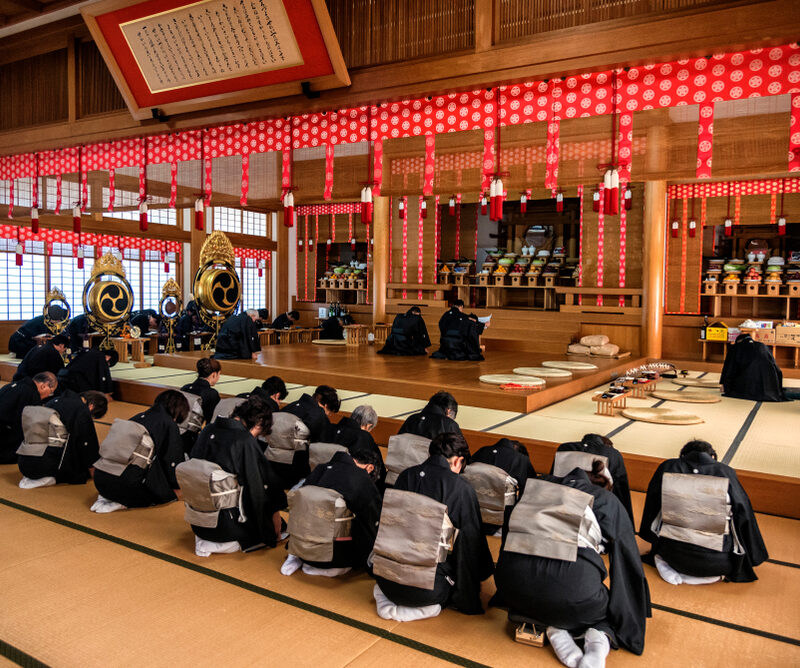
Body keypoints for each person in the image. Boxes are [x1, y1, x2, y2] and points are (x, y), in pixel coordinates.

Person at [492, 466, 650, 668]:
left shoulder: (531, 491)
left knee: (544, 594)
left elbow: (508, 540)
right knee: (600, 605)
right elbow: (626, 561)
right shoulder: (605, 500)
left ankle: (552, 628)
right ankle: (597, 637)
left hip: (514, 589)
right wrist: (630, 616)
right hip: (576, 597)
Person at [372, 432, 494, 620]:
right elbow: (470, 546)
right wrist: (472, 591)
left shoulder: (406, 475)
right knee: (462, 553)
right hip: (426, 590)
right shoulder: (460, 488)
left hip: (386, 579)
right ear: (457, 461)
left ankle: (389, 599)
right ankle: (417, 608)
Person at [639, 439, 768, 585]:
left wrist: (650, 537)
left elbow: (652, 504)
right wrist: (753, 553)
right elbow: (743, 512)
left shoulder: (669, 466)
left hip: (673, 555)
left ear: (683, 454)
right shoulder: (725, 472)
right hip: (718, 562)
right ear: (712, 456)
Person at [182, 394, 287, 557]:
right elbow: (258, 488)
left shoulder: (208, 429)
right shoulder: (243, 440)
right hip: (226, 527)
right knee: (272, 517)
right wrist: (272, 518)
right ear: (258, 423)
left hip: (196, 520)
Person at [281, 443, 382, 577]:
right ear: (370, 467)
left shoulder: (320, 468)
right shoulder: (360, 477)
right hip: (331, 558)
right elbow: (374, 517)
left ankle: (298, 556)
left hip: (299, 543)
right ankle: (326, 565)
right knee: (366, 522)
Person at [91, 389, 188, 512]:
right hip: (125, 486)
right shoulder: (168, 424)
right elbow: (171, 461)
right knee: (168, 494)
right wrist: (175, 487)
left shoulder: (136, 418)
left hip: (100, 480)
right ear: (179, 410)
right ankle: (123, 502)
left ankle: (108, 497)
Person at [17, 390, 108, 487]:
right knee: (81, 471)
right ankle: (50, 477)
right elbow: (86, 444)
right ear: (91, 406)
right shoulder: (81, 409)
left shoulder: (54, 401)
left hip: (23, 460)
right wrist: (93, 469)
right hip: (43, 466)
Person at [552, 433, 633, 524]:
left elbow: (552, 478)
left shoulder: (564, 448)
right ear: (607, 445)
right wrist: (627, 521)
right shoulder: (613, 454)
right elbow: (621, 490)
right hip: (597, 506)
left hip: (560, 501)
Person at [275, 385, 340, 486]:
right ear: (326, 406)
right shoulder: (320, 416)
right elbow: (321, 448)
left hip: (271, 460)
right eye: (329, 413)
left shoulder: (290, 406)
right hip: (293, 469)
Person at [469, 438, 537, 534]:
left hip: (470, 514)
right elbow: (531, 490)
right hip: (503, 520)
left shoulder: (482, 451)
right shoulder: (521, 459)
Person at [0, 372, 58, 464]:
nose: (48, 396)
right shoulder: (32, 394)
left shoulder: (12, 385)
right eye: (51, 392)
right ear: (44, 386)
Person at [328, 404, 385, 485]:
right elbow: (379, 471)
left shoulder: (331, 428)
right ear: (368, 426)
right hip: (346, 482)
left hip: (323, 474)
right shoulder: (364, 437)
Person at [720, 333, 787, 401]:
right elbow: (776, 369)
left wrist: (725, 386)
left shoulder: (736, 347)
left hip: (747, 386)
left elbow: (729, 369)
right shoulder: (764, 346)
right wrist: (778, 388)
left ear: (739, 341)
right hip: (768, 388)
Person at [181, 357, 222, 424]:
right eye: (219, 374)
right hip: (193, 430)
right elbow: (212, 420)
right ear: (214, 375)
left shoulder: (185, 387)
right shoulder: (211, 393)